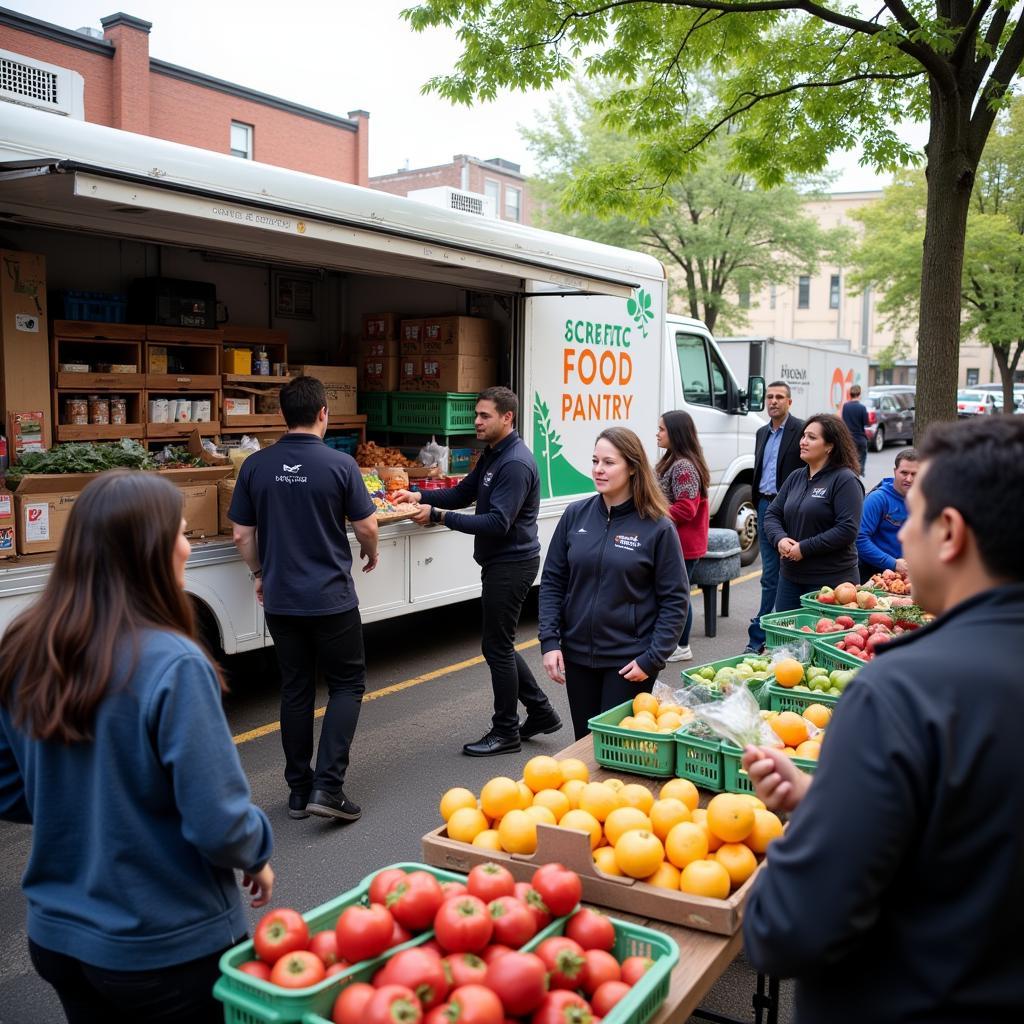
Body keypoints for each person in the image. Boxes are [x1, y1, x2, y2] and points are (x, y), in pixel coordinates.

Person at [741, 416, 1024, 1023]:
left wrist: (814, 829)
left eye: (914, 516)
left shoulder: (900, 693)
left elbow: (788, 929)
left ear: (949, 532)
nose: (904, 538)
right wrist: (830, 797)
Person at [0, 471, 273, 1024]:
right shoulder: (173, 662)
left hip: (57, 938)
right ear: (148, 551)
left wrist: (85, 805)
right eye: (179, 532)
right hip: (165, 946)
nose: (187, 545)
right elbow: (218, 822)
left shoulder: (25, 645)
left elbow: (8, 789)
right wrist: (257, 851)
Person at [230, 375, 378, 822]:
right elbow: (367, 525)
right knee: (347, 685)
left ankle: (298, 790)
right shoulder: (339, 465)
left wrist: (259, 573)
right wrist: (370, 554)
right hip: (331, 597)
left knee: (295, 689)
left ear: (282, 415)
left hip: (281, 599)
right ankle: (327, 788)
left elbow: (241, 533)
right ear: (322, 414)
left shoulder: (256, 465)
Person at [392, 386, 561, 756]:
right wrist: (419, 496)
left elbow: (497, 523)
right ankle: (542, 713)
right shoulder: (493, 454)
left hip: (512, 563)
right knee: (499, 643)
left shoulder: (514, 463)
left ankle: (505, 732)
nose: (477, 422)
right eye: (476, 415)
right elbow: (463, 493)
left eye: (484, 416)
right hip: (500, 562)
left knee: (496, 646)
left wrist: (438, 517)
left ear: (507, 418)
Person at [538, 427, 688, 740]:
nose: (598, 470)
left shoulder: (657, 527)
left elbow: (675, 600)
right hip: (578, 656)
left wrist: (653, 658)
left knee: (617, 748)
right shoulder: (576, 515)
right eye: (595, 461)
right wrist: (550, 641)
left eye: (608, 462)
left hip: (629, 661)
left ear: (632, 467)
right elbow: (553, 580)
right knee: (584, 744)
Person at [762, 413, 864, 613]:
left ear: (829, 446)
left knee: (820, 641)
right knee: (788, 641)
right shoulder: (795, 477)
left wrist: (805, 548)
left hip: (831, 582)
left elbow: (847, 529)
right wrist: (780, 539)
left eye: (812, 437)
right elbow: (772, 514)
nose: (803, 442)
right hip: (790, 579)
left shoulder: (845, 480)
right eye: (803, 436)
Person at [745, 381, 805, 654]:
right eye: (769, 397)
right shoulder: (761, 433)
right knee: (770, 573)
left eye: (780, 397)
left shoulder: (800, 430)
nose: (773, 401)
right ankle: (764, 634)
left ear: (789, 402)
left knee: (786, 573)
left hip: (789, 512)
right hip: (764, 507)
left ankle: (774, 633)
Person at [655, 410, 710, 662]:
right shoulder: (673, 460)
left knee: (678, 597)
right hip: (677, 543)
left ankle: (682, 645)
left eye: (662, 429)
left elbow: (687, 509)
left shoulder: (684, 466)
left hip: (683, 545)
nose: (657, 433)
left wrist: (652, 511)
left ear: (676, 433)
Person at [857, 447, 920, 581]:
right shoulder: (878, 499)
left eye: (914, 474)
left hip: (910, 576)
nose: (909, 479)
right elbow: (859, 539)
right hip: (874, 576)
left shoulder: (926, 501)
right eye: (904, 473)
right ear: (895, 471)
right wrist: (892, 563)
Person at [841, 384, 870, 475]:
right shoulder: (862, 408)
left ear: (850, 394)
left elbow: (843, 420)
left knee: (849, 460)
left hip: (848, 438)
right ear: (859, 394)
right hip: (860, 438)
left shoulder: (845, 406)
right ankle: (861, 471)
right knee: (862, 456)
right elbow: (866, 422)